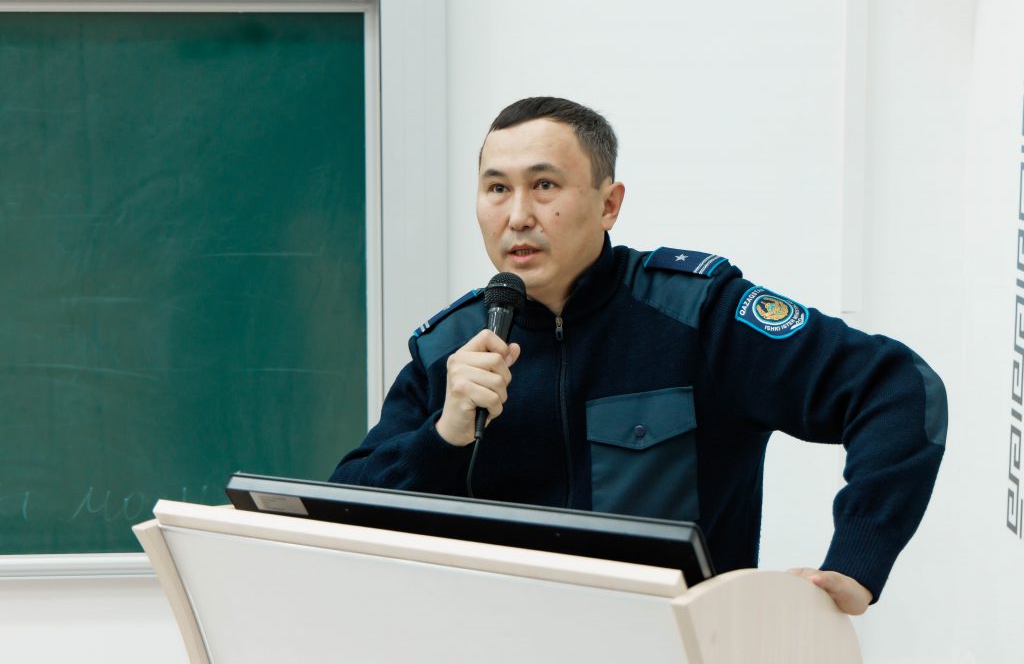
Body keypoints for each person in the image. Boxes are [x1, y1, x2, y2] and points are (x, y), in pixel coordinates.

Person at [330, 96, 947, 616]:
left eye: (544, 186)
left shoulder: (697, 316)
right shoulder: (450, 349)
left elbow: (894, 387)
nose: (517, 216)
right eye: (497, 188)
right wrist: (443, 436)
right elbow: (336, 517)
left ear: (609, 204)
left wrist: (858, 560)